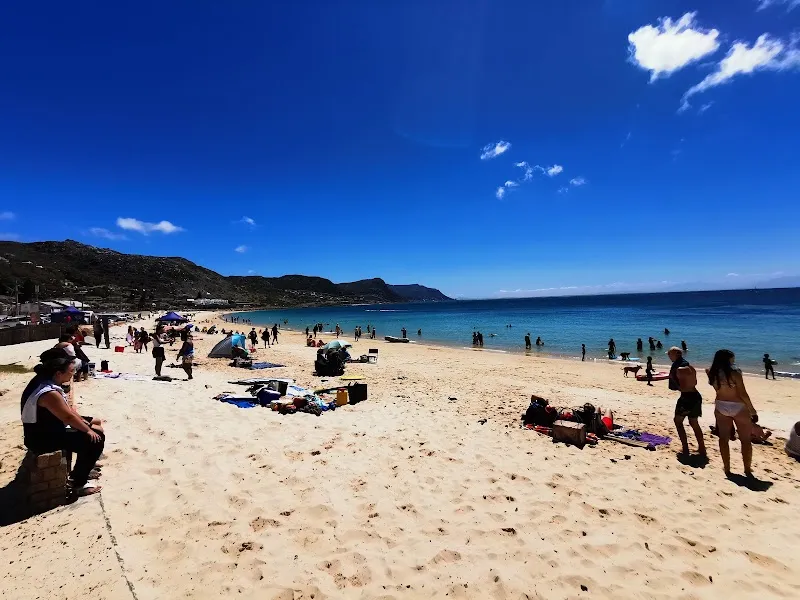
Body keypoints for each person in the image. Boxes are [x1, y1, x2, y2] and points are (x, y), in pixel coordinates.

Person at [20, 347, 104, 495]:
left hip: (48, 430)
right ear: (58, 373)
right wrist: (88, 429)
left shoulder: (45, 380)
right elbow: (68, 417)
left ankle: (83, 470)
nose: (73, 375)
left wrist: (86, 424)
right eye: (71, 372)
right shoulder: (49, 392)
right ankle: (79, 483)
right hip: (41, 438)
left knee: (94, 432)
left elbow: (68, 412)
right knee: (95, 440)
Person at [707, 349, 757, 477]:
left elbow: (717, 388)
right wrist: (752, 410)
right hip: (738, 406)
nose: (734, 361)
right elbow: (743, 394)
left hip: (721, 405)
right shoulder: (735, 373)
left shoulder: (711, 372)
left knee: (723, 438)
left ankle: (727, 468)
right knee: (745, 440)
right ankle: (747, 469)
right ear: (728, 359)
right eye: (732, 358)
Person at [668, 346, 706, 457]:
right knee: (694, 422)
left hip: (687, 397)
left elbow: (682, 386)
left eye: (670, 354)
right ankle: (702, 448)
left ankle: (685, 448)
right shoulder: (690, 367)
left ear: (676, 355)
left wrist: (675, 382)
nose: (669, 357)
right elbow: (695, 382)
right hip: (696, 396)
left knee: (678, 421)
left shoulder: (679, 369)